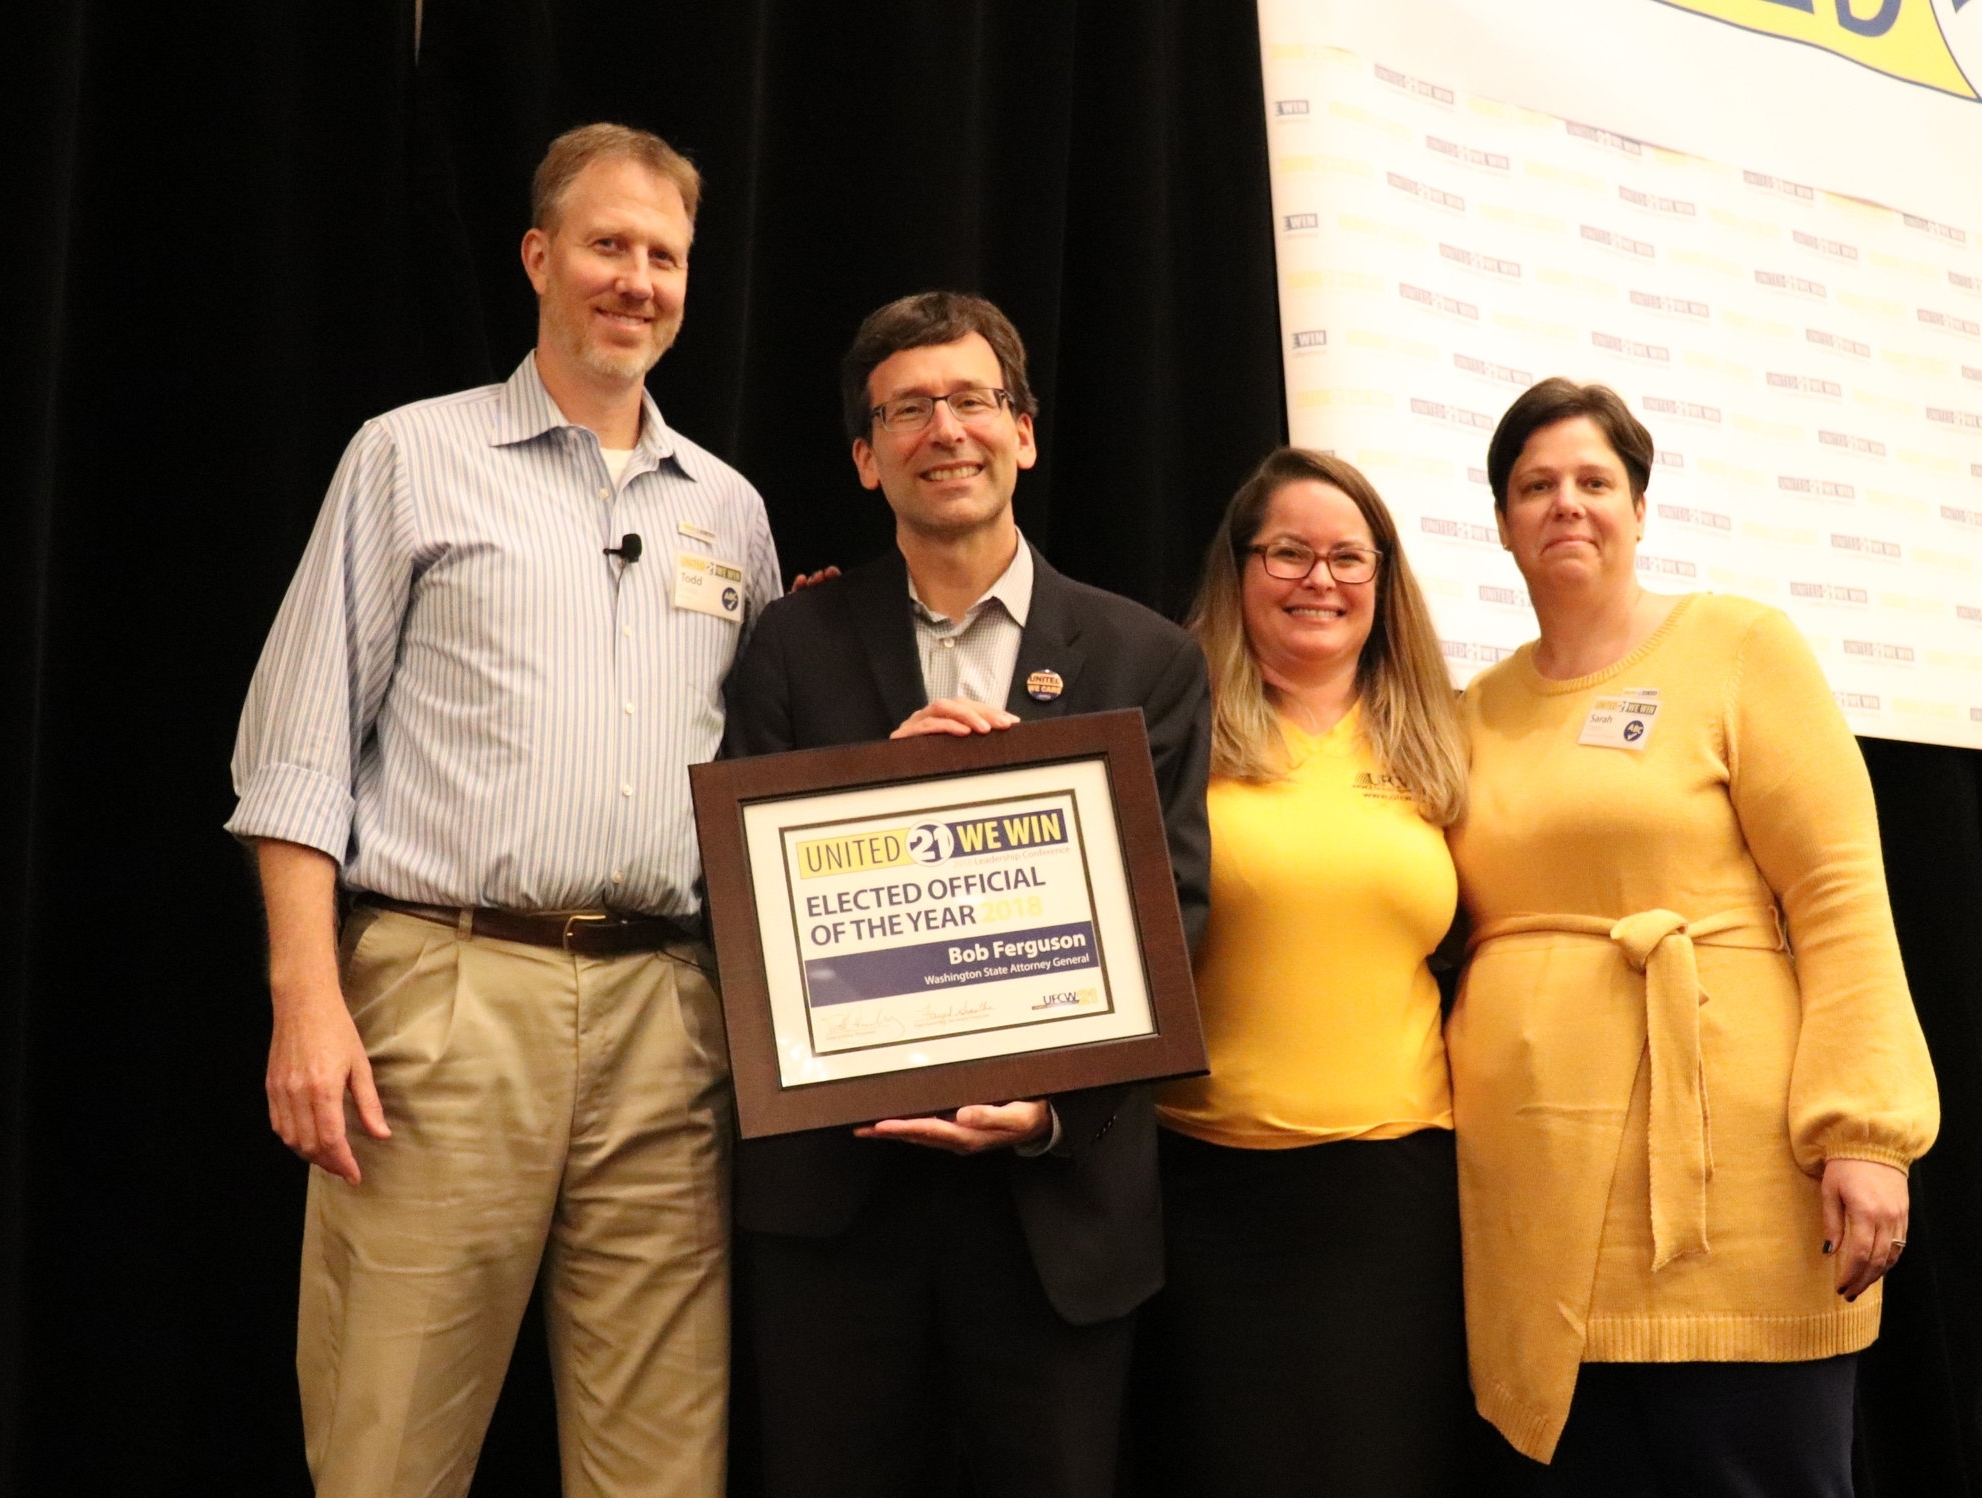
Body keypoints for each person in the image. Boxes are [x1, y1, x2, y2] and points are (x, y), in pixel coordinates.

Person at [226, 124, 780, 1498]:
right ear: (539, 257)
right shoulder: (410, 458)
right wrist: (308, 1003)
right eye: (606, 244)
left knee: (662, 1461)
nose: (635, 279)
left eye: (664, 255)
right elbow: (296, 756)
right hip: (444, 993)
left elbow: (774, 780)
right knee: (387, 1437)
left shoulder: (730, 509)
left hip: (668, 1011)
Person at [720, 290, 1212, 1498]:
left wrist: (1046, 1098)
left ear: (1024, 431)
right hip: (840, 1209)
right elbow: (732, 905)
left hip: (1054, 1206)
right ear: (865, 455)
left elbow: (1179, 915)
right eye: (907, 410)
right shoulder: (791, 644)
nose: (944, 429)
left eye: (971, 400)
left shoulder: (1147, 658)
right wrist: (870, 807)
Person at [1448, 378, 1940, 1494]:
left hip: (1733, 1186)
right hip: (1542, 1196)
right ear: (1502, 523)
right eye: (1536, 486)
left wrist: (1867, 1130)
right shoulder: (1472, 710)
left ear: (1639, 506)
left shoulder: (1737, 646)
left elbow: (1840, 892)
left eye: (1593, 481)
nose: (1566, 504)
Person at [1135, 448, 1473, 1496]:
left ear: (1384, 578)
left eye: (1346, 557)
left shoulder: (1445, 739)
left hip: (1396, 1193)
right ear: (1240, 570)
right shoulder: (1172, 721)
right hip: (1206, 1186)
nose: (1318, 580)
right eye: (1288, 553)